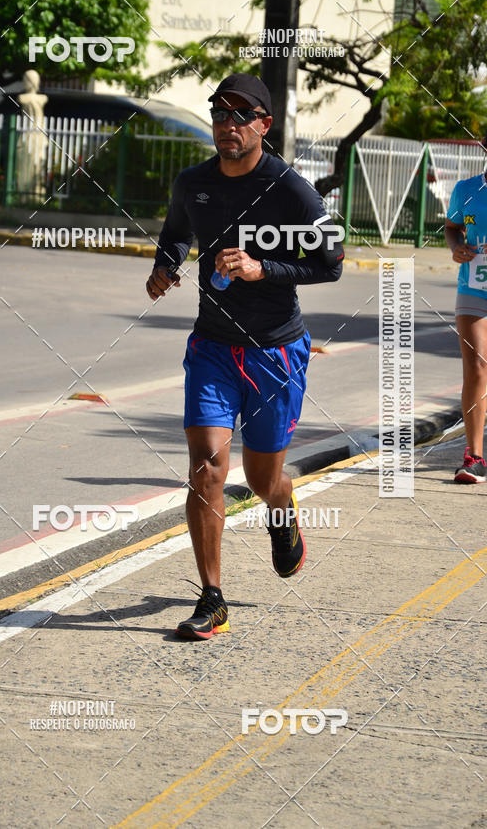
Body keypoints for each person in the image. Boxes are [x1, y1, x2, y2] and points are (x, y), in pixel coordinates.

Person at [145, 74, 344, 639]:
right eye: (219, 114)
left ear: (264, 124)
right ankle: (212, 596)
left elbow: (332, 261)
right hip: (211, 345)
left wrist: (264, 268)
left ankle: (283, 514)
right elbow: (175, 233)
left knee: (262, 479)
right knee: (207, 468)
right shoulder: (194, 182)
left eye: (240, 115)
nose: (227, 125)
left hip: (275, 352)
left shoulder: (290, 188)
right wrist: (166, 266)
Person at [445, 144, 487, 483]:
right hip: (473, 286)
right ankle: (474, 457)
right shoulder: (466, 190)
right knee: (476, 365)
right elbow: (452, 227)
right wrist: (456, 247)